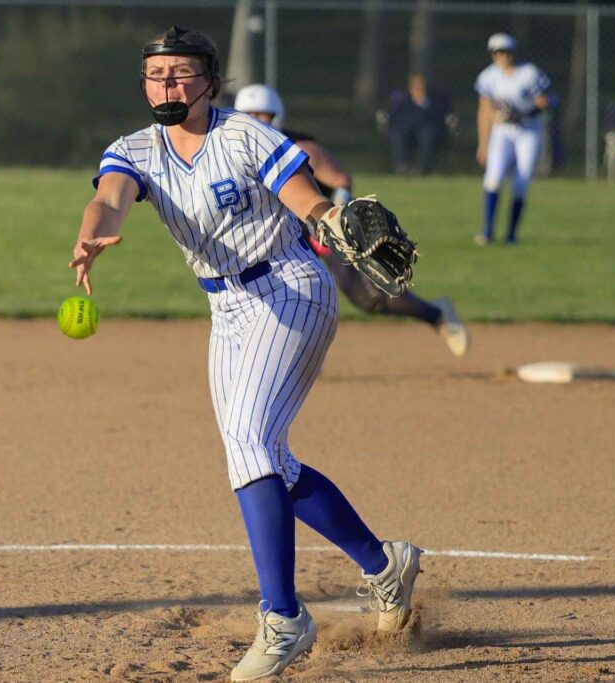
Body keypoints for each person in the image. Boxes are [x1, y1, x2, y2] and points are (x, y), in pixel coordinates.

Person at [69, 27, 422, 681]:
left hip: (289, 287)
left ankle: (283, 618)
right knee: (264, 455)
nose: (166, 84)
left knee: (251, 443)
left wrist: (328, 217)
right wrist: (93, 234)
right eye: (156, 73)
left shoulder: (246, 136)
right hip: (225, 308)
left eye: (180, 73)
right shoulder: (135, 150)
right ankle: (384, 563)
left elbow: (305, 197)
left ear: (209, 81)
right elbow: (108, 198)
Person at [235, 83, 468, 357]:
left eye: (264, 114)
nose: (258, 121)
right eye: (250, 115)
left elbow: (340, 180)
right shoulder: (236, 153)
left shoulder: (295, 146)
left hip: (320, 229)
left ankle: (436, 314)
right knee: (271, 293)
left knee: (371, 298)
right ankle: (295, 354)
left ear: (278, 115)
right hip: (280, 234)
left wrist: (336, 221)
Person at [474, 32, 551, 245]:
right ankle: (487, 231)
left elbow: (545, 101)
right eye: (498, 52)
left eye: (506, 51)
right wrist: (483, 142)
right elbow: (485, 111)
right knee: (493, 179)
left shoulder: (529, 72)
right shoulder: (489, 76)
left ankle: (511, 234)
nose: (502, 56)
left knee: (521, 182)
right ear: (492, 54)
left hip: (527, 130)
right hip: (502, 131)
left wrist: (524, 111)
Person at [381, 73, 454, 175]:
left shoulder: (434, 101)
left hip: (427, 128)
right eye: (415, 87)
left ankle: (422, 168)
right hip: (405, 129)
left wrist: (423, 103)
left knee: (427, 136)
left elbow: (440, 116)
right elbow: (393, 116)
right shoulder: (402, 100)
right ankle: (401, 166)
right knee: (396, 134)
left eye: (421, 86)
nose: (418, 89)